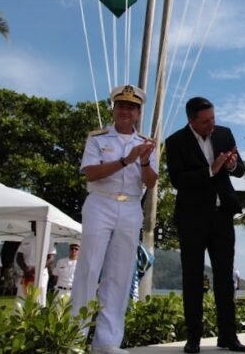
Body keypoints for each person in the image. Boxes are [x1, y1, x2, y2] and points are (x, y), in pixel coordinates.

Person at [71, 84, 158, 354]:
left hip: (131, 206)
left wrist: (142, 162)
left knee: (120, 274)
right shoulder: (98, 138)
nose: (125, 111)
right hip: (100, 203)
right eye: (121, 105)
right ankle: (74, 336)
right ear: (114, 108)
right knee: (89, 268)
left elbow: (151, 181)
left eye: (131, 107)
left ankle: (107, 342)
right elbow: (90, 174)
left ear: (138, 113)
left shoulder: (146, 143)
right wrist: (125, 160)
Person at [165, 97, 245, 353]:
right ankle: (193, 339)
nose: (211, 124)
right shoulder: (175, 142)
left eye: (213, 118)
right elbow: (178, 180)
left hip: (222, 215)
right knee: (192, 278)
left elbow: (240, 168)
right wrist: (211, 170)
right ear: (191, 121)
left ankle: (228, 336)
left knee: (225, 278)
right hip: (192, 218)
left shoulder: (224, 133)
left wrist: (233, 165)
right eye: (205, 121)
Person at [15, 221, 56, 304]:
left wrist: (38, 269)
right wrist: (26, 269)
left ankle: (38, 316)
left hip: (41, 272)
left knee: (39, 298)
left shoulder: (48, 238)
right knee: (22, 298)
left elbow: (51, 258)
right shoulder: (26, 239)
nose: (32, 226)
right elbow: (19, 257)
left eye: (35, 223)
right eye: (32, 223)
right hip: (27, 272)